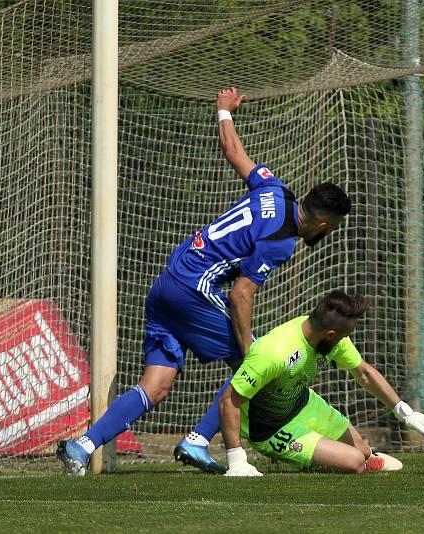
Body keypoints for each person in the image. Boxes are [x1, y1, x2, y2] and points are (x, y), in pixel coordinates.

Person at [57, 87, 351, 476]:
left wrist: (224, 112)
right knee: (256, 368)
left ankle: (82, 445)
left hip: (166, 284)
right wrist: (250, 348)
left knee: (156, 386)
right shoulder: (280, 242)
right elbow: (241, 294)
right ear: (323, 224)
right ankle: (197, 440)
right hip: (193, 289)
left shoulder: (274, 188)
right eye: (331, 229)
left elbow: (233, 153)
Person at [219, 290, 424, 476]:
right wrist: (236, 460)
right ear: (330, 334)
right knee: (355, 462)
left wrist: (404, 411)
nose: (346, 340)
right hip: (271, 429)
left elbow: (364, 373)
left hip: (302, 403)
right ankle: (317, 455)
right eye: (345, 334)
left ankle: (353, 455)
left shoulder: (332, 340)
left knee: (363, 452)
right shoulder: (273, 352)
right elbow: (229, 401)